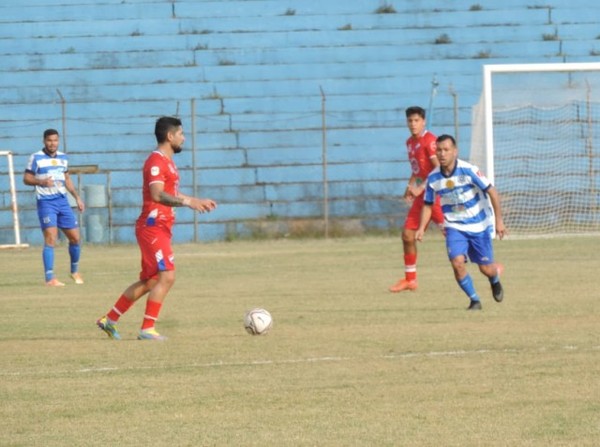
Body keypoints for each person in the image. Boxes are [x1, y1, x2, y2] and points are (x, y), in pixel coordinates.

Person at [96, 116, 217, 341]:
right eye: (181, 133)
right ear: (170, 136)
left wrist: (194, 200)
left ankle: (109, 319)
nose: (184, 137)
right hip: (152, 227)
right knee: (168, 276)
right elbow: (157, 194)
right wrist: (189, 203)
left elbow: (170, 192)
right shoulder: (156, 161)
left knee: (152, 280)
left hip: (160, 227)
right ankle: (147, 329)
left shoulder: (168, 162)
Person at [415, 134, 506, 310]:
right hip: (454, 226)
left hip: (479, 225)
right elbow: (427, 204)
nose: (442, 154)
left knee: (486, 269)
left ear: (455, 152)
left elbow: (492, 192)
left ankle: (494, 278)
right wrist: (421, 228)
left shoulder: (469, 170)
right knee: (457, 262)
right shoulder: (433, 178)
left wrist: (499, 221)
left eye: (446, 150)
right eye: (438, 150)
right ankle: (474, 300)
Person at [389, 106, 444, 293]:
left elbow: (439, 169)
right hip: (422, 198)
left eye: (416, 120)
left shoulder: (430, 141)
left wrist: (421, 187)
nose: (413, 124)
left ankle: (490, 265)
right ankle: (410, 280)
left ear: (424, 121)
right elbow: (417, 170)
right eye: (410, 121)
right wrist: (410, 187)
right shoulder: (410, 143)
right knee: (407, 235)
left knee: (455, 235)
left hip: (436, 197)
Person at [23, 129, 85, 286]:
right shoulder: (36, 157)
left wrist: (77, 198)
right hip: (46, 202)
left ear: (58, 141)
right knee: (51, 238)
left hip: (63, 202)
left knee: (75, 238)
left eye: (55, 140)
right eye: (49, 140)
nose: (52, 143)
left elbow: (67, 179)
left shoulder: (63, 158)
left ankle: (74, 271)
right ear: (44, 141)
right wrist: (41, 182)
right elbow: (26, 178)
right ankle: (50, 278)